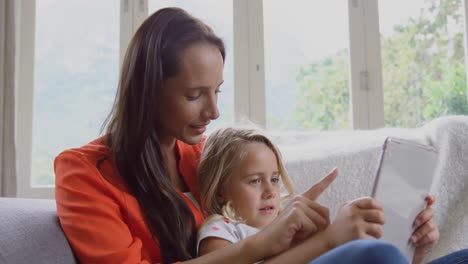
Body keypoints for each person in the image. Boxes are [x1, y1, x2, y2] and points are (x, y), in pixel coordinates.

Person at [53, 6, 468, 264]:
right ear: (147, 90)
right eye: (195, 95)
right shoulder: (84, 172)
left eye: (216, 93)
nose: (213, 112)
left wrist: (406, 239)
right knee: (372, 254)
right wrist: (276, 241)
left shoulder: (201, 160)